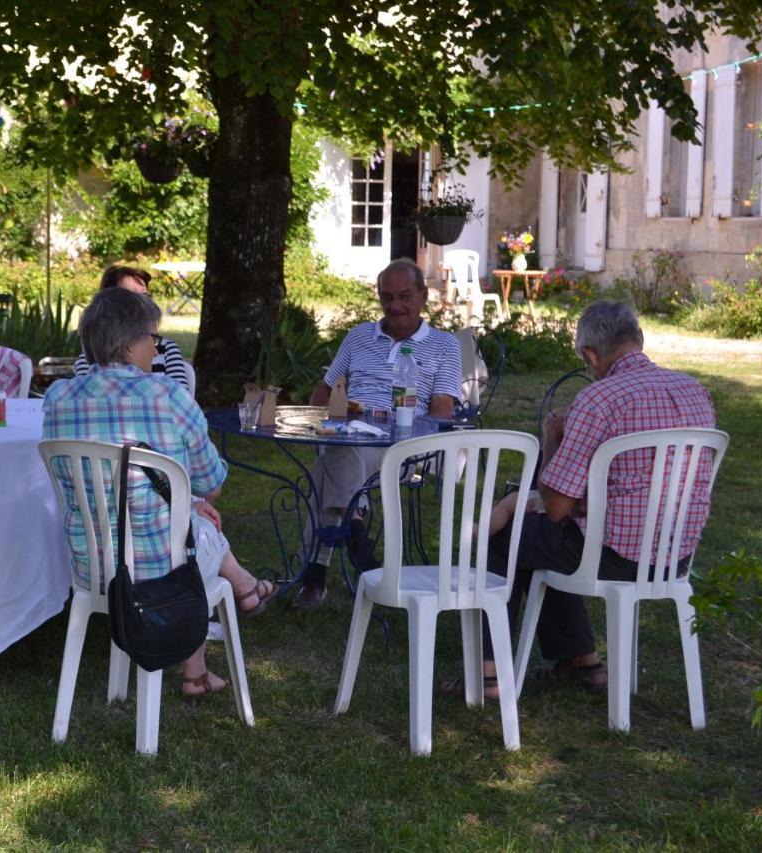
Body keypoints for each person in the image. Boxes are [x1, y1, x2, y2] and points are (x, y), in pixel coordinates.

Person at [451, 300, 716, 699]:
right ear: (638, 339)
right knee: (555, 538)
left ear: (590, 355)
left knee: (507, 536)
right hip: (672, 556)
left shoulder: (598, 399)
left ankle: (488, 674)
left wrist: (551, 438)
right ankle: (581, 661)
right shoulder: (694, 389)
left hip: (613, 555)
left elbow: (556, 508)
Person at [44, 287, 278, 697]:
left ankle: (202, 664)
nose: (157, 348)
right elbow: (213, 483)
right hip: (161, 567)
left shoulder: (58, 397)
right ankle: (243, 590)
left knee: (189, 520)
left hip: (92, 563)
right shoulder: (169, 395)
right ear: (130, 343)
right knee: (197, 529)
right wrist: (192, 496)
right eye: (153, 338)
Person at [296, 259, 463, 609]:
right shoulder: (359, 337)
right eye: (386, 296)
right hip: (349, 434)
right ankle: (355, 539)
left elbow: (442, 411)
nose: (395, 306)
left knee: (329, 466)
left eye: (404, 296)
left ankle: (318, 570)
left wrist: (410, 435)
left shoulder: (444, 345)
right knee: (342, 452)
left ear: (423, 296)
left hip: (403, 445)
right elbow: (324, 392)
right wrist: (331, 417)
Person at [73, 265, 190, 390]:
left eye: (145, 295)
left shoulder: (166, 348)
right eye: (130, 296)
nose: (143, 302)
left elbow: (182, 394)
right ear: (107, 302)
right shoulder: (94, 355)